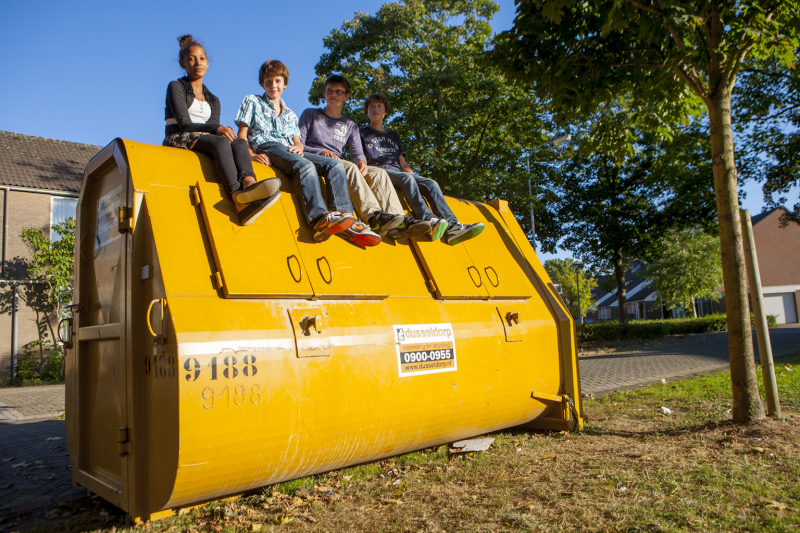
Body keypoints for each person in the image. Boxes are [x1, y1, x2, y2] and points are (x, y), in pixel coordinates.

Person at [235, 61, 377, 246]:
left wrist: (299, 146)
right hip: (267, 145)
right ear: (262, 83)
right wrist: (250, 154)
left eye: (277, 81)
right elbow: (242, 135)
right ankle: (319, 218)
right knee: (305, 166)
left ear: (284, 83)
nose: (273, 85)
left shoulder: (290, 114)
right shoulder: (252, 101)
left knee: (334, 164)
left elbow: (296, 140)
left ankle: (344, 216)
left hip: (288, 148)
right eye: (268, 81)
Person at [163, 35, 280, 226]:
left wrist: (220, 131)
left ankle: (250, 184)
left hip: (203, 137)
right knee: (220, 140)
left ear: (207, 63)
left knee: (240, 141)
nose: (197, 63)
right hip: (178, 136)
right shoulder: (176, 87)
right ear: (182, 63)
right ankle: (236, 197)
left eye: (201, 58)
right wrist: (217, 128)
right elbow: (185, 124)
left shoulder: (213, 99)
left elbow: (212, 130)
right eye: (191, 59)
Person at [298, 75, 429, 241]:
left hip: (338, 163)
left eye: (339, 91)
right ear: (323, 94)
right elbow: (299, 144)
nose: (334, 94)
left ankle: (398, 220)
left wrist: (362, 162)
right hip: (316, 159)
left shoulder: (350, 125)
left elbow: (357, 153)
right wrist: (320, 152)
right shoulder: (311, 114)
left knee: (378, 173)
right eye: (329, 91)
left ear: (346, 96)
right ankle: (374, 217)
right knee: (349, 167)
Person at [360, 93, 485, 245]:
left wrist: (416, 179)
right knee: (406, 178)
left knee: (430, 183)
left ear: (386, 112)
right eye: (371, 106)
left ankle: (452, 227)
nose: (375, 109)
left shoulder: (393, 135)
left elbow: (402, 162)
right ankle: (428, 219)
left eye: (379, 106)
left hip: (399, 173)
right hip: (380, 173)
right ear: (367, 112)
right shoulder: (362, 133)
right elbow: (359, 158)